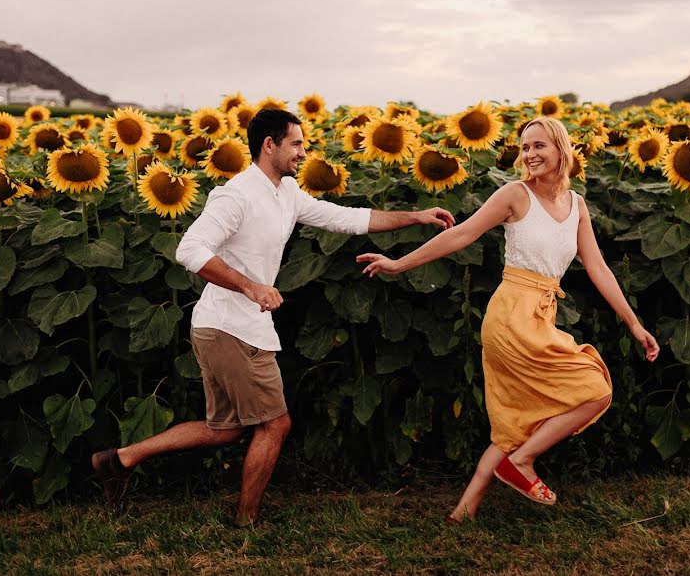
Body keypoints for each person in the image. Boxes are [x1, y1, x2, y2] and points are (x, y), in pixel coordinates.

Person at [92, 108, 455, 526]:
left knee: (225, 429)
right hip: (229, 326)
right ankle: (247, 521)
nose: (303, 152)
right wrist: (251, 286)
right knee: (275, 425)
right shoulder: (236, 195)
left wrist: (418, 216)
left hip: (233, 326)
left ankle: (119, 460)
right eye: (296, 144)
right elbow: (189, 250)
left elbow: (346, 218)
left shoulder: (286, 193)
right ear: (270, 145)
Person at [357, 116, 659, 520]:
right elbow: (461, 234)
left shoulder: (577, 206)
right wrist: (398, 264)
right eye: (525, 147)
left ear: (561, 150)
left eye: (539, 146)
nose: (529, 154)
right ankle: (520, 463)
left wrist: (634, 324)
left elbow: (599, 269)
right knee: (594, 389)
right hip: (510, 314)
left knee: (520, 417)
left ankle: (463, 512)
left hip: (541, 314)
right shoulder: (515, 195)